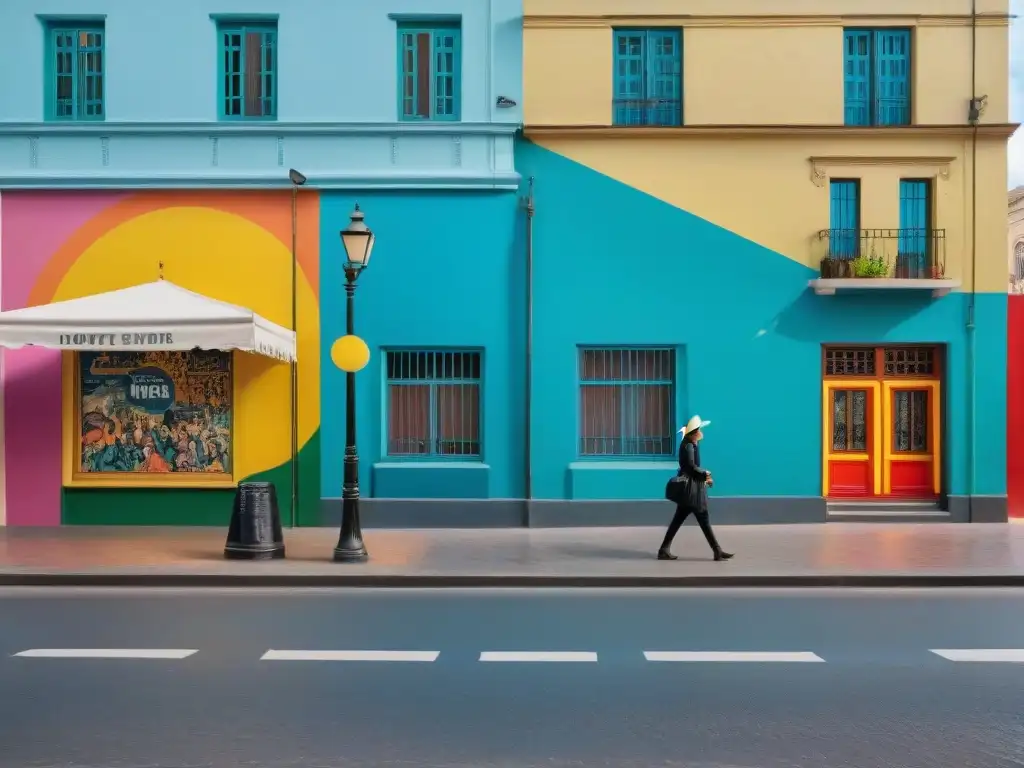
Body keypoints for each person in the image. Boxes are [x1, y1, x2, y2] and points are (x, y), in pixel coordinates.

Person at [657, 415, 734, 561]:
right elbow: (691, 467)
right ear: (693, 433)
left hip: (691, 490)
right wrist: (705, 474)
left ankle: (664, 549)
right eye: (698, 430)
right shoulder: (688, 446)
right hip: (692, 490)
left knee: (684, 519)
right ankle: (717, 551)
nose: (700, 433)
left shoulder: (691, 444)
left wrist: (704, 477)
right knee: (701, 518)